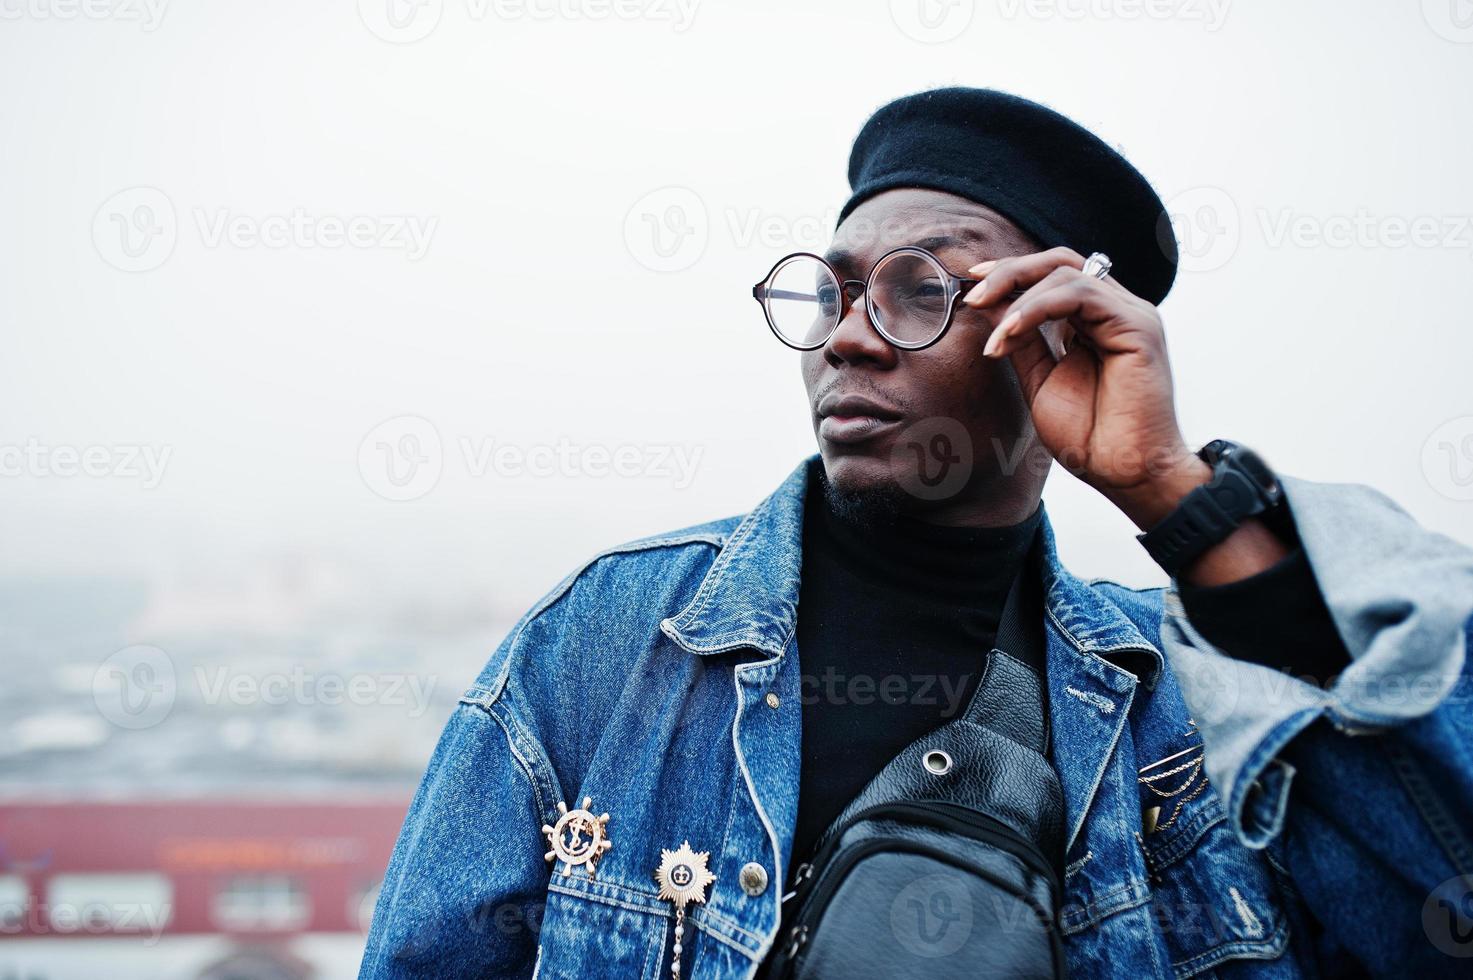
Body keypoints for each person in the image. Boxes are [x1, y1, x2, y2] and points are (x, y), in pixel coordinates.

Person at [359, 88, 1473, 979]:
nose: (849, 336)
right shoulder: (610, 639)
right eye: (837, 293)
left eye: (918, 288)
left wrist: (1176, 497)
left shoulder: (1181, 702)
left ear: (1055, 330)